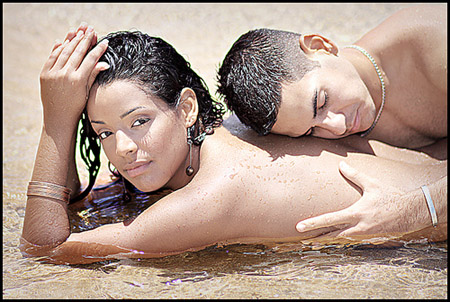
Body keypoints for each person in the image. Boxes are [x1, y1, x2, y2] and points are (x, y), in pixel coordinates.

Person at [20, 24, 446, 265]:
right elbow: (83, 201)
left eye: (140, 122)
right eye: (104, 133)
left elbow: (44, 248)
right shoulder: (235, 127)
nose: (124, 148)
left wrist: (56, 124)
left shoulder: (212, 197)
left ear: (187, 109)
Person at [216, 4, 447, 238]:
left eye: (322, 102)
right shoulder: (336, 113)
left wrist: (417, 210)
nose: (337, 127)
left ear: (320, 46)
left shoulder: (434, 45)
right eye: (311, 131)